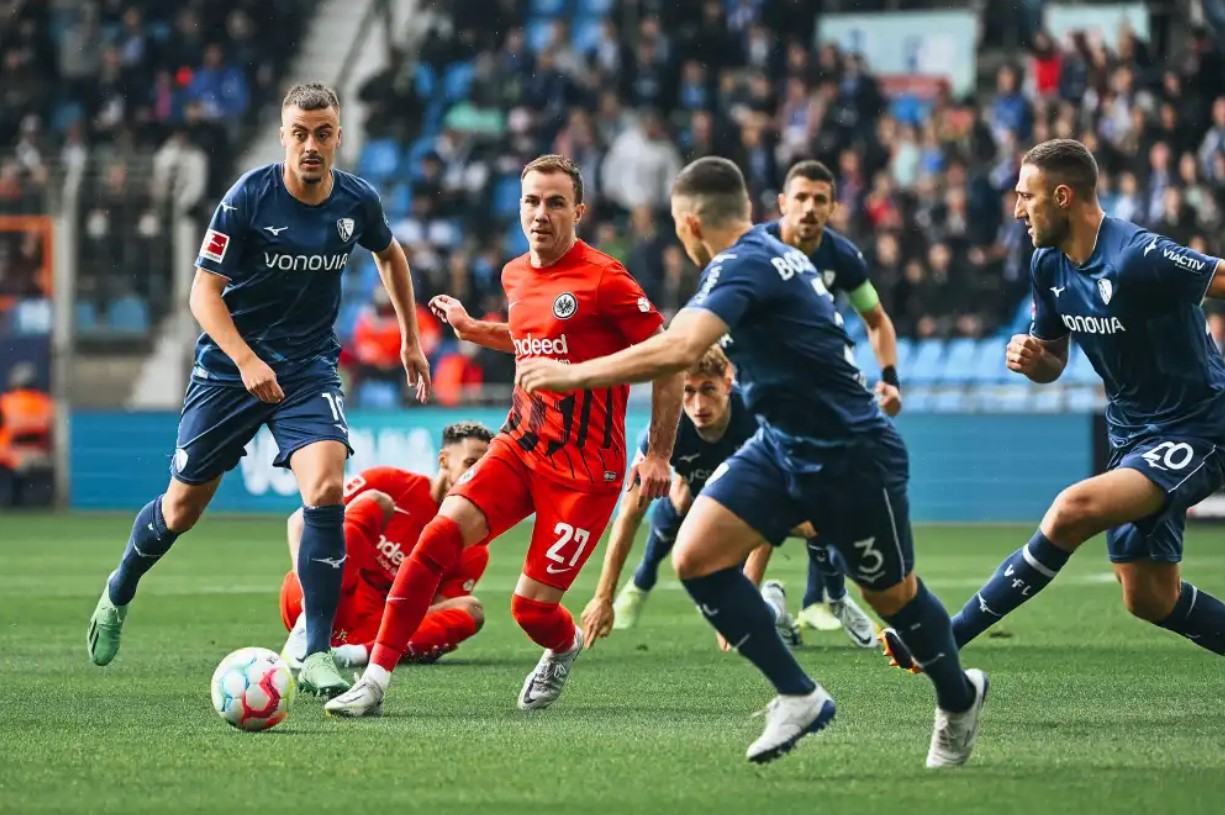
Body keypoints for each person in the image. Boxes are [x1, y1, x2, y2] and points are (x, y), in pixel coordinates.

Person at [516, 157, 987, 768]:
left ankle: (958, 695)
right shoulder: (763, 250)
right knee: (696, 557)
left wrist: (571, 374)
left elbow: (681, 349)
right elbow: (680, 337)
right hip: (782, 444)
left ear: (689, 225)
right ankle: (798, 694)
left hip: (850, 453)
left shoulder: (745, 265)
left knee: (893, 597)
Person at [86, 83, 432, 700]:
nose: (311, 146)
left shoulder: (357, 201)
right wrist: (245, 361)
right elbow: (202, 294)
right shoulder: (248, 197)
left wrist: (410, 335)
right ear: (283, 137)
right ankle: (119, 589)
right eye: (299, 134)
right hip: (228, 371)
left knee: (326, 487)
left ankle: (318, 651)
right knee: (180, 510)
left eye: (323, 133)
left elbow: (391, 255)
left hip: (306, 370)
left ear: (338, 136)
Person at [324, 154, 683, 717]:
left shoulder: (605, 279)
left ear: (578, 211)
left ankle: (562, 646)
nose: (541, 213)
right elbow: (530, 338)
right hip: (519, 446)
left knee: (530, 612)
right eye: (531, 201)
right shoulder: (515, 273)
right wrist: (471, 330)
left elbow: (670, 359)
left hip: (586, 475)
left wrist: (659, 452)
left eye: (555, 202)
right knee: (436, 541)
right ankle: (373, 682)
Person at [881, 138, 1225, 673]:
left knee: (1071, 510)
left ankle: (944, 640)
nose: (1017, 210)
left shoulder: (1136, 255)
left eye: (1026, 196)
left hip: (1199, 426)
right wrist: (1033, 358)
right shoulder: (1047, 264)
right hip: (1132, 436)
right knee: (1149, 597)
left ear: (1062, 197)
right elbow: (1054, 365)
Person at [587, 343, 874, 650]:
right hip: (709, 501)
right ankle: (770, 607)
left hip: (762, 503)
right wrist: (603, 597)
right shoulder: (664, 428)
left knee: (818, 517)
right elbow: (630, 511)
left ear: (728, 383)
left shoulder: (755, 418)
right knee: (681, 496)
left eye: (708, 389)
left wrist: (745, 598)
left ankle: (836, 598)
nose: (698, 405)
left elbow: (768, 509)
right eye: (687, 391)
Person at [764, 159, 902, 638]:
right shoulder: (755, 249)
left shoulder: (841, 257)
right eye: (800, 198)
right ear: (782, 203)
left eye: (820, 199)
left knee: (824, 497)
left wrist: (889, 377)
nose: (809, 208)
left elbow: (877, 319)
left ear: (833, 207)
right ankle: (783, 602)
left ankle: (807, 603)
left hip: (820, 396)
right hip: (758, 391)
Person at [279, 422, 493, 668]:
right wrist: (309, 589)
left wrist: (426, 639)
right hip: (317, 597)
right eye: (470, 464)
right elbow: (299, 521)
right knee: (376, 502)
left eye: (485, 469)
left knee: (471, 610)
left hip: (369, 627)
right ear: (444, 461)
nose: (477, 475)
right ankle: (307, 629)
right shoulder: (388, 482)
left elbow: (429, 613)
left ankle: (352, 655)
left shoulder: (475, 546)